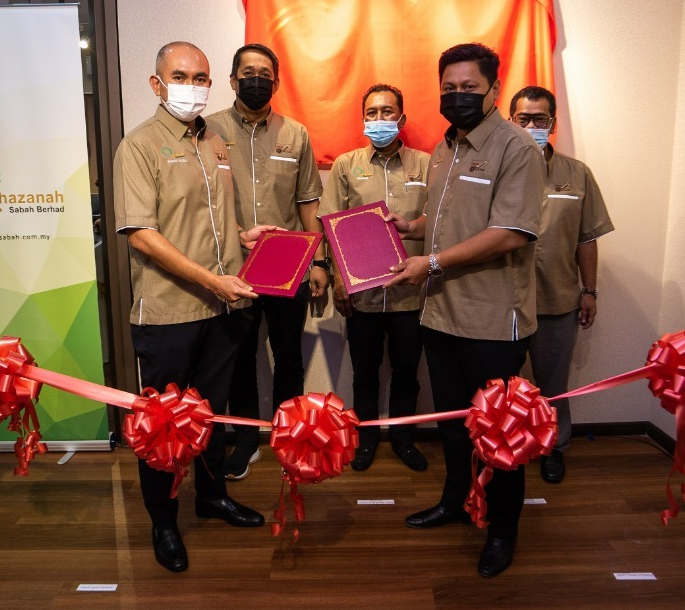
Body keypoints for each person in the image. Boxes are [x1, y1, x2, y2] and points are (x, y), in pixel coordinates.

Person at [386, 43, 544, 578]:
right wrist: (412, 228)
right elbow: (447, 219)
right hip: (441, 314)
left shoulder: (516, 148)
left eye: (469, 88)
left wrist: (430, 262)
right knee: (454, 425)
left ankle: (502, 529)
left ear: (494, 89)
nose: (458, 96)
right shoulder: (443, 148)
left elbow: (511, 233)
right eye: (449, 88)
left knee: (499, 433)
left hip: (492, 321)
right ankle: (455, 501)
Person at [113, 41, 269, 573]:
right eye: (180, 76)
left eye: (201, 77)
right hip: (169, 315)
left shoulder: (215, 141)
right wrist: (212, 281)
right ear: (157, 84)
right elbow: (141, 234)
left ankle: (212, 496)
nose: (192, 86)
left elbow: (213, 221)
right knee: (162, 428)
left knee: (211, 417)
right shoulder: (139, 146)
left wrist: (247, 237)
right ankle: (163, 520)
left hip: (222, 313)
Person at [206, 44, 328, 480]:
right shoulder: (208, 130)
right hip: (232, 264)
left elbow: (308, 202)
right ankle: (244, 442)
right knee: (239, 357)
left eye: (264, 74)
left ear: (275, 83)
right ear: (233, 79)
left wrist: (319, 261)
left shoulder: (296, 134)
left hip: (287, 264)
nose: (255, 80)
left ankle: (287, 435)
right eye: (248, 72)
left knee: (289, 356)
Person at [318, 84, 430, 472]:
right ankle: (364, 439)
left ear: (402, 118)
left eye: (387, 112)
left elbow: (437, 217)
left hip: (410, 294)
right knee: (364, 374)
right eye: (372, 113)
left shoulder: (426, 164)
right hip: (362, 294)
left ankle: (403, 440)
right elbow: (330, 224)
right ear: (363, 119)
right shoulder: (346, 165)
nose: (379, 119)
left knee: (407, 374)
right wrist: (337, 279)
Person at [509, 86, 614, 484]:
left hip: (557, 300)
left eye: (540, 119)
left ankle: (554, 448)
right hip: (503, 303)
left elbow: (587, 238)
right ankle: (507, 447)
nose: (532, 126)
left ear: (552, 123)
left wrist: (590, 291)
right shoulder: (497, 171)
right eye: (523, 119)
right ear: (511, 122)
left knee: (553, 386)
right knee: (503, 385)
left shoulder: (577, 173)